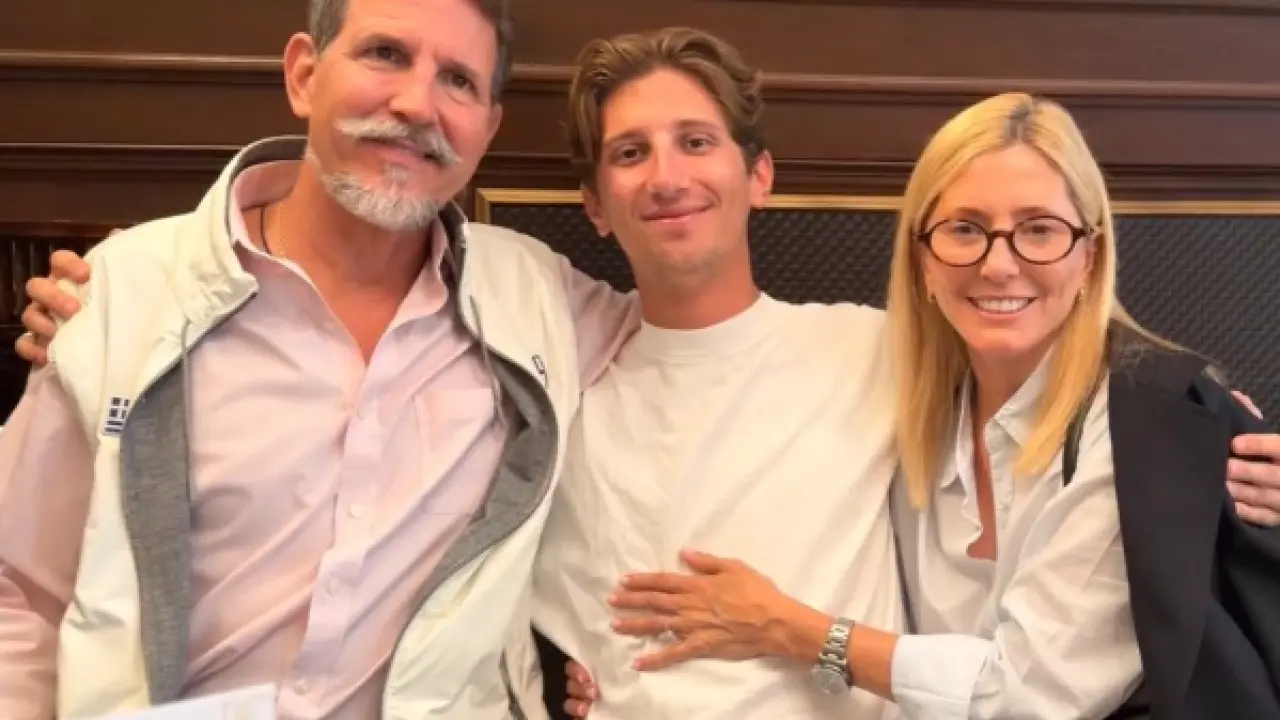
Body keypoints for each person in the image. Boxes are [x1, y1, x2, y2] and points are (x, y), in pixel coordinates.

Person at [15, 26, 1280, 720]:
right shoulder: (541, 346)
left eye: (695, 143)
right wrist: (111, 298)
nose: (666, 176)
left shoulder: (881, 348)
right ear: (594, 204)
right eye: (628, 155)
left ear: (758, 175)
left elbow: (1046, 330)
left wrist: (1225, 446)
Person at [0, 0, 639, 718]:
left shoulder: (536, 296)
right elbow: (20, 592)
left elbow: (704, 349)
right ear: (304, 74)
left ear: (486, 129)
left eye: (458, 80)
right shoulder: (125, 292)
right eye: (386, 54)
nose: (417, 104)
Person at [561, 93, 1280, 719]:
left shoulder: (1144, 427)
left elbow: (1023, 696)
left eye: (1039, 228)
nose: (999, 264)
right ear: (922, 257)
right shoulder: (896, 388)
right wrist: (599, 666)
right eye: (965, 229)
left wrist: (789, 627)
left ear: (1089, 255)